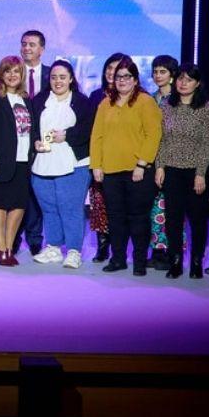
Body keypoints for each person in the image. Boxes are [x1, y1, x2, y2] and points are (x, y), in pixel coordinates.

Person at [90, 55, 162, 275]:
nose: (121, 80)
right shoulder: (105, 103)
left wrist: (142, 164)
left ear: (135, 79)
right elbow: (97, 137)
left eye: (126, 76)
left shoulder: (145, 101)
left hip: (137, 172)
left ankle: (140, 262)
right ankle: (118, 258)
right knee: (116, 218)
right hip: (110, 171)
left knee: (138, 218)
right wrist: (96, 165)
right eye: (118, 77)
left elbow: (153, 134)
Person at [29, 60, 95, 269]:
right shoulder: (39, 100)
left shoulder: (83, 103)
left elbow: (89, 131)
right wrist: (35, 142)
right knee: (49, 208)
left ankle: (74, 250)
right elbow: (30, 129)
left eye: (62, 77)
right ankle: (54, 247)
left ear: (71, 79)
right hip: (44, 162)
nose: (58, 81)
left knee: (71, 208)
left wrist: (66, 135)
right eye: (54, 77)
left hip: (74, 164)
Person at [155, 64, 209, 278]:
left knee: (198, 219)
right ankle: (176, 261)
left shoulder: (206, 109)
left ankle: (197, 261)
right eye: (180, 78)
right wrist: (160, 166)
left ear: (197, 83)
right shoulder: (166, 107)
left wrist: (200, 173)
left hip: (196, 171)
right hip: (171, 170)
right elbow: (160, 140)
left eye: (188, 79)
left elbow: (207, 144)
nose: (183, 82)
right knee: (172, 218)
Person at [0, 56, 33, 266]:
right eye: (7, 71)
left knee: (19, 206)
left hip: (23, 161)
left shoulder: (27, 100)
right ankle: (0, 247)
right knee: (0, 205)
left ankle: (9, 246)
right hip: (1, 161)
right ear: (1, 74)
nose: (12, 75)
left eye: (16, 72)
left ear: (21, 75)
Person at [87, 53, 125, 261]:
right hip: (100, 161)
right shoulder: (95, 96)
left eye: (117, 68)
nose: (112, 72)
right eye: (109, 68)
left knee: (122, 208)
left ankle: (121, 250)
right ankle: (103, 247)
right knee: (100, 206)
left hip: (125, 161)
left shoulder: (137, 97)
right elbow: (91, 132)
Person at [16, 30, 52, 255]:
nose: (26, 48)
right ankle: (14, 236)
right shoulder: (12, 72)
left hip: (45, 141)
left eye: (32, 44)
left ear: (42, 49)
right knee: (17, 189)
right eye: (23, 44)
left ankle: (35, 237)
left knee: (37, 191)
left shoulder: (53, 74)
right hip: (16, 140)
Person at [147, 54, 180, 271]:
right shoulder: (150, 99)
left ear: (172, 75)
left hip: (174, 161)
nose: (158, 76)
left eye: (163, 72)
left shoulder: (180, 100)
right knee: (154, 208)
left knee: (173, 209)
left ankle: (173, 252)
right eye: (156, 71)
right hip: (151, 159)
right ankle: (157, 251)